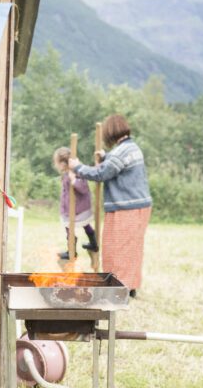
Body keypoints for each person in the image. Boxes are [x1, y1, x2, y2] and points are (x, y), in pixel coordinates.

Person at [69, 114, 152, 297]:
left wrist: (77, 167)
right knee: (132, 247)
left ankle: (119, 289)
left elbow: (102, 174)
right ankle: (129, 286)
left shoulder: (120, 152)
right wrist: (106, 156)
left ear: (110, 132)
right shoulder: (131, 147)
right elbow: (115, 165)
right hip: (138, 206)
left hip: (127, 208)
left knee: (118, 248)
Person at [52, 146, 98, 260]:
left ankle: (92, 244)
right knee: (71, 227)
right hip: (71, 207)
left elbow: (83, 188)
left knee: (75, 226)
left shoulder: (76, 172)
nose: (56, 165)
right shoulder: (67, 173)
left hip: (79, 207)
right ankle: (72, 251)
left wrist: (74, 180)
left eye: (57, 163)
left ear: (63, 163)